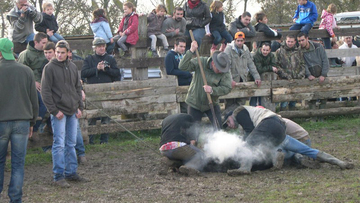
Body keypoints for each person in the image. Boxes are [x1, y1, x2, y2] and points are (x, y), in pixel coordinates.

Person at [223, 105, 354, 175]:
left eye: (227, 122)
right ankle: (338, 162)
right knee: (307, 150)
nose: (229, 125)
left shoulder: (238, 112)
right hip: (279, 128)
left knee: (248, 144)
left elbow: (249, 132)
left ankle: (245, 168)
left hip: (270, 123)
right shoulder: (252, 115)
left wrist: (241, 148)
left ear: (230, 115)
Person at [41, 40, 87, 187]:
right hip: (59, 111)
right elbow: (45, 91)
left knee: (71, 142)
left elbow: (77, 88)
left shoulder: (73, 67)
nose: (59, 55)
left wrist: (80, 107)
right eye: (57, 52)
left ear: (68, 53)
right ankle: (58, 175)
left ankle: (71, 171)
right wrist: (54, 111)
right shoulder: (49, 68)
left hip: (72, 109)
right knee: (59, 144)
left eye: (62, 52)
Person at [0, 38, 39, 203]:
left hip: (1, 122)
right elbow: (34, 100)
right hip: (22, 121)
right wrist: (32, 123)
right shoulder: (26, 71)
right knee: (18, 163)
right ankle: (15, 199)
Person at [179, 41, 232, 128]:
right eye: (219, 69)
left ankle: (219, 141)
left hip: (212, 103)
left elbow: (227, 88)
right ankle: (193, 141)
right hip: (195, 103)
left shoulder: (224, 70)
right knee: (193, 130)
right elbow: (182, 66)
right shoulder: (201, 62)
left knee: (218, 128)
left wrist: (212, 90)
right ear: (213, 63)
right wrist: (191, 51)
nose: (221, 72)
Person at [81, 37, 121, 144]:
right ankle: (90, 140)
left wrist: (107, 70)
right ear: (94, 48)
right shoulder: (89, 59)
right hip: (92, 92)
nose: (101, 48)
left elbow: (117, 74)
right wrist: (96, 69)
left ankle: (104, 140)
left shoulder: (110, 59)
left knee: (106, 116)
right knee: (92, 117)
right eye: (99, 47)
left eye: (103, 46)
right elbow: (83, 73)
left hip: (106, 92)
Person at [17, 32, 48, 133]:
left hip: (44, 84)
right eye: (43, 43)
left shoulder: (46, 53)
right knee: (42, 103)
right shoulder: (25, 54)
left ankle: (39, 129)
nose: (45, 45)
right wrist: (33, 82)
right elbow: (21, 73)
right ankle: (33, 129)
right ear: (36, 42)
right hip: (31, 86)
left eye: (46, 42)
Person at [224, 31, 261, 111]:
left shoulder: (245, 49)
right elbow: (227, 67)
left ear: (244, 41)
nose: (240, 43)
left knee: (241, 101)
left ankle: (237, 120)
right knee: (230, 102)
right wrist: (230, 80)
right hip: (232, 79)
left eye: (241, 41)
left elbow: (250, 64)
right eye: (238, 41)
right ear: (235, 40)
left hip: (243, 79)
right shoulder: (229, 49)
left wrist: (257, 77)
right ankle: (227, 120)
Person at [297, 32, 329, 114]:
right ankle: (313, 117)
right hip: (310, 75)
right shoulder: (299, 51)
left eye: (302, 40)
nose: (301, 42)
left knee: (323, 96)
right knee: (311, 97)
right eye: (299, 41)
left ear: (307, 38)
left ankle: (322, 116)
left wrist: (323, 74)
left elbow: (325, 60)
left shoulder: (318, 47)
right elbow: (302, 64)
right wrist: (308, 75)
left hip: (321, 73)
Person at [275, 35, 306, 111]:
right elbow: (277, 65)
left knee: (294, 98)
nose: (290, 43)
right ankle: (283, 115)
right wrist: (285, 75)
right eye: (288, 41)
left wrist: (300, 75)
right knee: (284, 99)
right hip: (284, 79)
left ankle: (292, 115)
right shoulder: (279, 51)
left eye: (292, 42)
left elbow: (303, 64)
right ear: (285, 41)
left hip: (296, 78)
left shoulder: (299, 51)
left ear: (295, 42)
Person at [165, 37, 192, 113]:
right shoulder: (170, 56)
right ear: (175, 46)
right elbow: (170, 71)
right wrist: (185, 73)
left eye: (184, 47)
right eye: (181, 46)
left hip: (188, 83)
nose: (183, 49)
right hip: (179, 84)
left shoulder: (183, 55)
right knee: (185, 107)